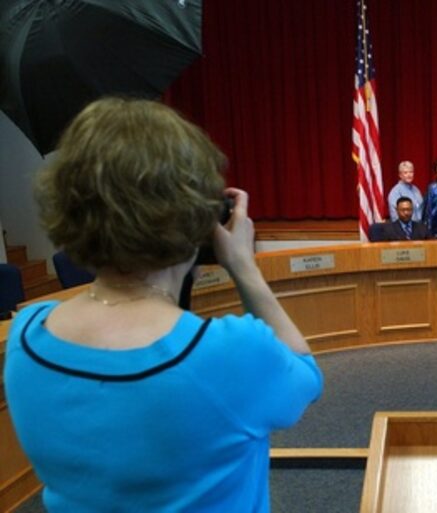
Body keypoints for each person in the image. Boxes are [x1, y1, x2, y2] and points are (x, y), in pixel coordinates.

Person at [3, 98, 323, 512]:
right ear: (194, 215)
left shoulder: (25, 335)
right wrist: (244, 266)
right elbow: (306, 376)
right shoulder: (230, 351)